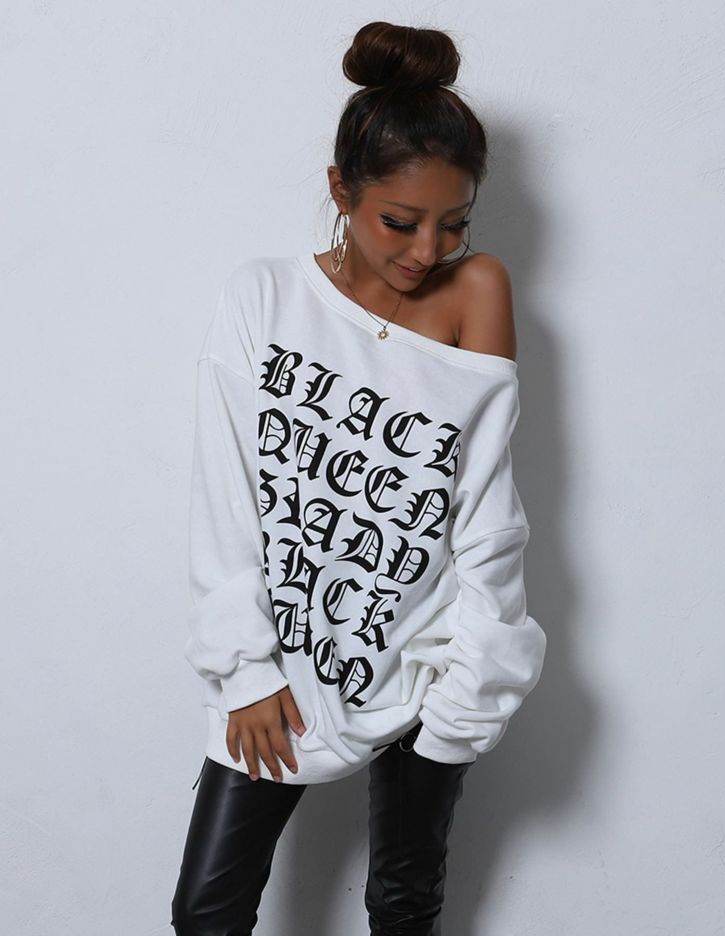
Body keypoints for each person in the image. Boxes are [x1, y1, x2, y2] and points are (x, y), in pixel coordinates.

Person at [170, 20, 547, 936]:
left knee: (403, 907)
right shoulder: (263, 297)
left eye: (454, 223)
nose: (427, 250)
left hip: (428, 664)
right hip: (285, 667)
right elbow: (227, 494)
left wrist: (469, 688)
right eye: (400, 222)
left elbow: (485, 510)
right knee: (206, 912)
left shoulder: (477, 291)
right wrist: (245, 668)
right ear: (342, 190)